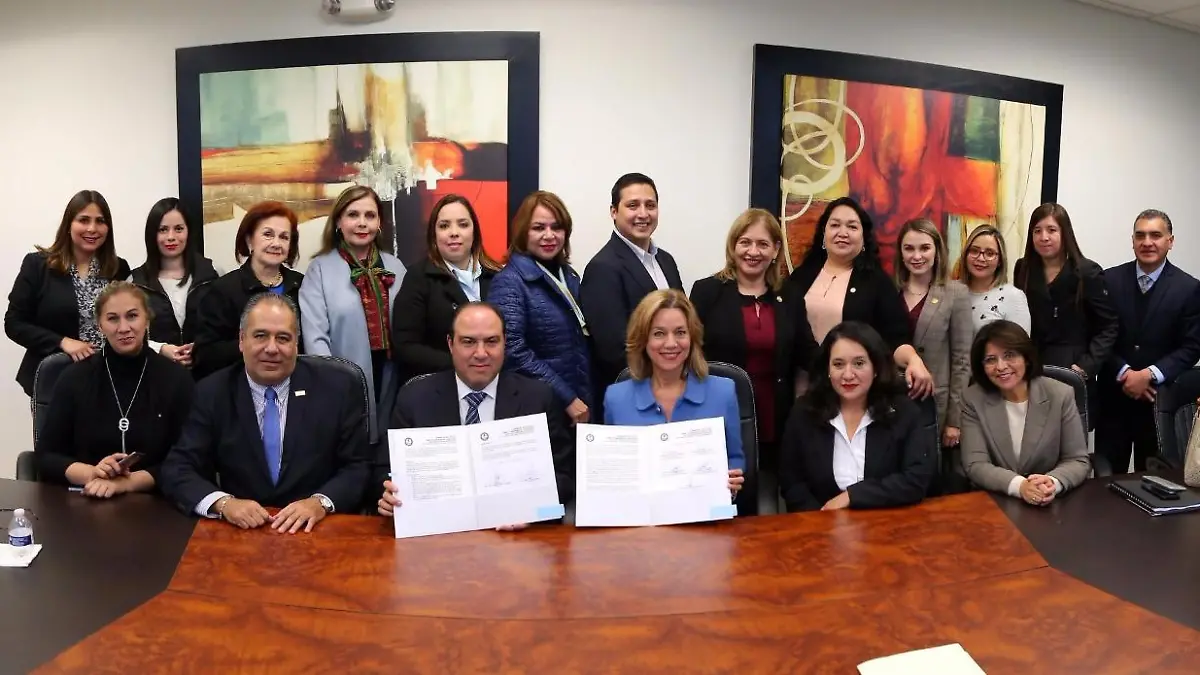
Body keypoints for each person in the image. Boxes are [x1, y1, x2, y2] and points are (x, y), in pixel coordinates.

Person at [160, 294, 370, 532]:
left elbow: (358, 466)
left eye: (283, 338)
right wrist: (224, 504)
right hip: (242, 531)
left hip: (317, 529)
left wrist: (320, 503)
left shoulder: (337, 388)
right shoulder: (213, 392)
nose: (271, 348)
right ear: (241, 340)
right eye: (260, 336)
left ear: (296, 344)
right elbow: (178, 468)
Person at [377, 302, 574, 527]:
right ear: (451, 344)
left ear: (504, 343)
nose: (481, 354)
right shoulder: (415, 398)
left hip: (516, 534)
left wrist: (533, 512)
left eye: (491, 341)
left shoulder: (538, 397)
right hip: (438, 531)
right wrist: (388, 494)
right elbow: (384, 470)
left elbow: (564, 478)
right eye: (468, 342)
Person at [34, 282, 194, 497]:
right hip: (88, 498)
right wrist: (92, 473)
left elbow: (189, 459)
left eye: (132, 316)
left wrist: (129, 483)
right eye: (112, 319)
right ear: (100, 325)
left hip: (157, 501)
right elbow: (46, 456)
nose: (123, 328)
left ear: (147, 319)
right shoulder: (74, 378)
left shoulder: (176, 379)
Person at [689, 208, 817, 474]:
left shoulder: (789, 295)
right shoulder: (707, 291)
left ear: (775, 250)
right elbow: (690, 352)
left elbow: (807, 352)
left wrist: (844, 365)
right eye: (745, 242)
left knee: (768, 488)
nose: (753, 252)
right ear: (733, 245)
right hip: (719, 413)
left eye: (763, 244)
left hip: (775, 415)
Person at [781, 197, 934, 398]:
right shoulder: (800, 277)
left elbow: (895, 339)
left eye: (852, 227)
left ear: (863, 238)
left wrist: (913, 360)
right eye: (835, 225)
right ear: (824, 233)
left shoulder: (877, 282)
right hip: (802, 390)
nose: (842, 232)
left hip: (852, 391)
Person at [778, 321, 936, 512]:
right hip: (820, 523)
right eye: (838, 364)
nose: (848, 375)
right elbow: (792, 483)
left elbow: (915, 480)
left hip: (888, 521)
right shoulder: (804, 412)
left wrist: (852, 496)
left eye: (859, 363)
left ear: (876, 368)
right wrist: (821, 520)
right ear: (827, 370)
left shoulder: (903, 412)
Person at [602, 290, 746, 495]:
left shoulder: (723, 392)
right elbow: (614, 469)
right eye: (659, 333)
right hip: (640, 512)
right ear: (643, 340)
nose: (671, 343)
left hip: (704, 510)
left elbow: (735, 457)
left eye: (680, 332)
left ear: (692, 337)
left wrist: (732, 480)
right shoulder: (616, 398)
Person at [300, 186, 406, 443]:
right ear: (338, 221)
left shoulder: (396, 267)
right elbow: (315, 337)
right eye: (353, 215)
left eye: (370, 215)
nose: (362, 223)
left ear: (379, 222)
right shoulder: (319, 269)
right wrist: (331, 382)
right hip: (342, 380)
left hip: (392, 373)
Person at [1098, 209, 1200, 473]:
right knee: (1106, 481)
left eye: (1155, 235)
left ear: (1170, 241)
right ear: (1132, 240)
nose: (1147, 242)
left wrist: (1149, 375)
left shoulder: (1189, 288)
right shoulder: (1108, 280)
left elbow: (1192, 347)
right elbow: (1097, 335)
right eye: (1140, 235)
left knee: (1153, 483)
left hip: (1159, 404)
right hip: (1113, 401)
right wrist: (1125, 373)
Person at [5, 190, 131, 396]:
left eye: (100, 221)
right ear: (68, 225)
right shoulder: (38, 265)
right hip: (55, 380)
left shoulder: (119, 268)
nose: (92, 228)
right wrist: (61, 342)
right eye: (84, 220)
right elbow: (14, 323)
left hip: (109, 379)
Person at [580, 173, 683, 410]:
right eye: (633, 205)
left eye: (650, 205)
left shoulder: (666, 261)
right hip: (636, 397)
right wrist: (661, 384)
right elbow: (613, 350)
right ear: (614, 212)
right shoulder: (602, 267)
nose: (643, 214)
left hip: (674, 391)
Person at [489, 191, 592, 424]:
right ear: (523, 231)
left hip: (580, 402)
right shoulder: (509, 281)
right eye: (538, 228)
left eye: (557, 227)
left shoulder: (569, 276)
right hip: (541, 407)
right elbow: (512, 350)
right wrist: (566, 398)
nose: (549, 235)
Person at [960, 320, 1091, 504]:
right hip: (995, 501)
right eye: (990, 360)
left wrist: (1052, 483)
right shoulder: (973, 398)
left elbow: (1077, 460)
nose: (1000, 366)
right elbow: (975, 464)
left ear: (1026, 358)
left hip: (1051, 501)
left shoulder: (1060, 394)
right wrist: (1020, 486)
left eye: (1009, 355)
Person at [1013, 203, 1118, 422]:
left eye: (1051, 230)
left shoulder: (1087, 272)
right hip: (1033, 370)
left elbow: (1108, 326)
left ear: (1065, 233)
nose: (1044, 237)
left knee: (1070, 438)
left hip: (1073, 370)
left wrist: (1086, 366)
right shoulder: (1023, 269)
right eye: (1037, 231)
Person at [391, 194, 500, 383]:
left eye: (463, 224)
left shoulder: (498, 276)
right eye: (444, 226)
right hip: (441, 385)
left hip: (496, 384)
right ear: (433, 235)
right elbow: (406, 346)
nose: (454, 232)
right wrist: (462, 364)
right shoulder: (418, 278)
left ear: (474, 232)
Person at [192, 201, 304, 380]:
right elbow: (205, 354)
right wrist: (253, 344)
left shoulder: (302, 286)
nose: (276, 243)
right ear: (249, 239)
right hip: (239, 385)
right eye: (268, 234)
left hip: (295, 384)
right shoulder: (223, 290)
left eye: (284, 237)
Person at [893, 218, 972, 448]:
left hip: (935, 404)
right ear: (900, 252)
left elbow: (962, 361)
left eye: (925, 248)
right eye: (909, 248)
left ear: (937, 250)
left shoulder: (956, 293)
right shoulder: (889, 291)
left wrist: (954, 421)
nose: (917, 256)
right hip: (891, 401)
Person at [130, 197, 221, 371]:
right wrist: (161, 349)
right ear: (152, 234)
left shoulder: (213, 273)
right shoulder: (135, 282)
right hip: (157, 373)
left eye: (178, 229)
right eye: (163, 230)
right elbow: (129, 334)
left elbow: (223, 327)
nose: (171, 237)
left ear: (189, 231)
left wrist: (201, 346)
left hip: (206, 373)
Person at [956, 224, 1031, 334]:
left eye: (989, 253)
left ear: (1000, 260)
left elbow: (1020, 343)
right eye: (974, 251)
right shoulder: (951, 291)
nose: (981, 258)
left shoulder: (1013, 297)